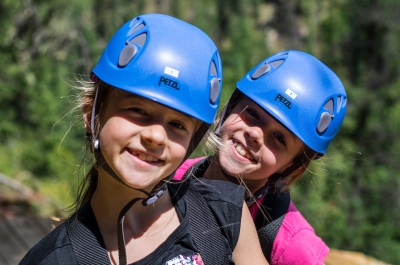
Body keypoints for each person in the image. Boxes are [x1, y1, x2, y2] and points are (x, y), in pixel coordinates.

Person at [19, 14, 269, 265]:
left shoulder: (224, 213)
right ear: (91, 115)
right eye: (138, 111)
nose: (156, 136)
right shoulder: (53, 259)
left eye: (177, 125)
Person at [174, 50, 347, 265]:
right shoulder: (173, 178)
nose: (255, 134)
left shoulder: (293, 246)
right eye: (253, 114)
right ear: (230, 108)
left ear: (292, 165)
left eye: (278, 138)